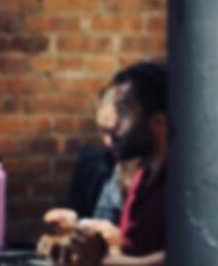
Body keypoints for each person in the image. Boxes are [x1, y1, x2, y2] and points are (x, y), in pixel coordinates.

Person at [59, 62, 168, 266]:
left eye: (125, 112)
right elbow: (131, 250)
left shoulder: (182, 186)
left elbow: (185, 257)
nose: (115, 125)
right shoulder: (140, 179)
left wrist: (102, 261)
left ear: (157, 124)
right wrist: (105, 239)